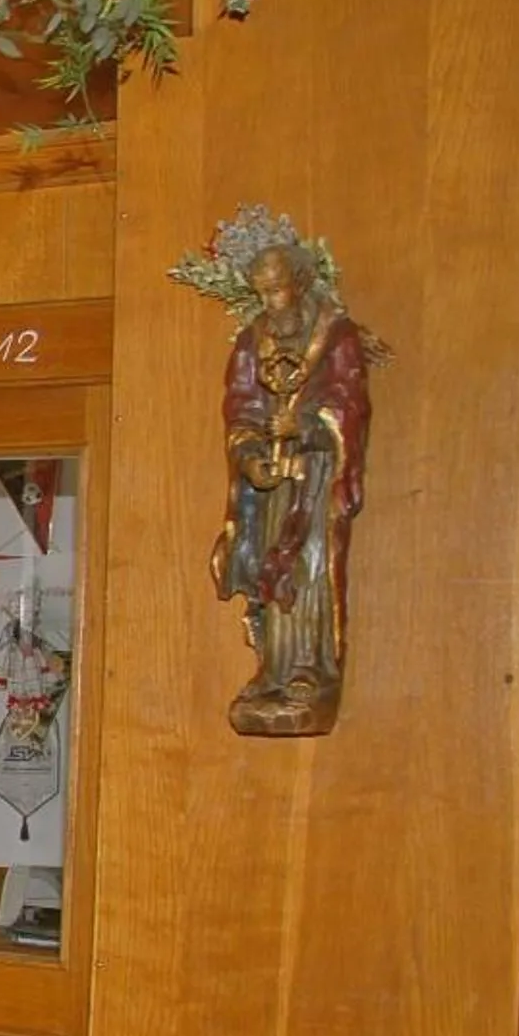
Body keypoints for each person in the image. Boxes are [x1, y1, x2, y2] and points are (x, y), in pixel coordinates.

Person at [208, 241, 374, 736]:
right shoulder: (251, 341)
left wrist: (307, 425)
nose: (271, 301)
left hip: (317, 479)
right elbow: (240, 407)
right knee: (265, 565)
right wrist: (251, 456)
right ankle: (274, 667)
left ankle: (309, 668)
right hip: (271, 484)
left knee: (308, 566)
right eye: (262, 291)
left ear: (300, 283)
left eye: (278, 288)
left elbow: (350, 401)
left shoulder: (335, 336)